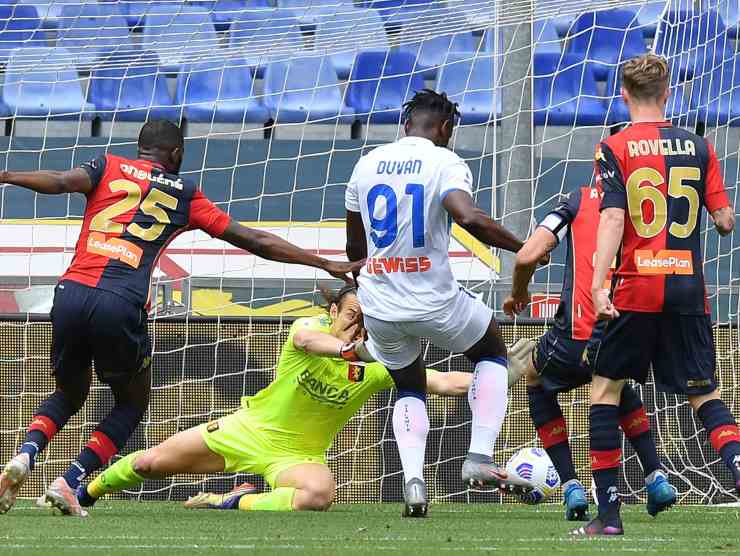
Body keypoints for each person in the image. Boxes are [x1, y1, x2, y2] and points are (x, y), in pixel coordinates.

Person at [0, 120, 361, 518]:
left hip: (69, 293)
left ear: (140, 148)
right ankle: (70, 481)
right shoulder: (185, 194)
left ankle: (25, 454)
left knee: (69, 393)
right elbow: (254, 240)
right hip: (120, 301)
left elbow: (59, 180)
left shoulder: (106, 165)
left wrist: (8, 174)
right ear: (176, 154)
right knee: (131, 403)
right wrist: (322, 261)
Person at [76, 286, 473, 514]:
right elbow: (307, 340)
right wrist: (352, 352)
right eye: (352, 314)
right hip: (245, 430)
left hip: (297, 457)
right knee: (149, 463)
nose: (358, 325)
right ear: (333, 310)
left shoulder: (380, 361)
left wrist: (496, 378)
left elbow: (441, 382)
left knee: (319, 495)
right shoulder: (309, 328)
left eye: (367, 320)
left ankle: (230, 502)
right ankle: (82, 493)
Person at [345, 89, 536, 518]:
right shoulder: (444, 162)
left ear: (405, 125)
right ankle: (480, 456)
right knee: (490, 350)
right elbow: (468, 217)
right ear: (446, 128)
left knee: (409, 386)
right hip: (435, 300)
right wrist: (525, 247)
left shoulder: (366, 163)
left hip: (380, 302)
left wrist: (373, 295)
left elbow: (355, 245)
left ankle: (413, 483)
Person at [584, 53, 739, 536]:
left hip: (637, 287)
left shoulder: (614, 146)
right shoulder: (700, 146)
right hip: (689, 287)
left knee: (605, 390)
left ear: (624, 94)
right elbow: (724, 220)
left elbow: (611, 217)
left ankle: (608, 518)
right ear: (668, 92)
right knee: (705, 394)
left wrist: (597, 280)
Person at [503, 184, 676, 521]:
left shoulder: (577, 200)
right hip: (626, 327)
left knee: (534, 377)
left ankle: (570, 485)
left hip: (575, 336)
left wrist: (517, 293)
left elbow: (526, 256)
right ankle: (655, 476)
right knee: (614, 383)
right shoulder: (645, 205)